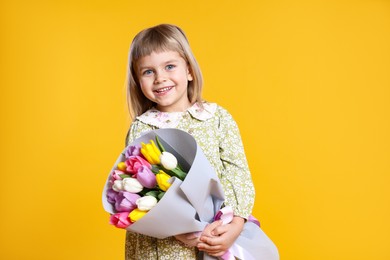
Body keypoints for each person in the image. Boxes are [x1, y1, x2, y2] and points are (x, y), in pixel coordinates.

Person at [124, 24, 255, 259]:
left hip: (219, 234)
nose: (160, 78)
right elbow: (137, 193)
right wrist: (173, 229)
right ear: (138, 81)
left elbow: (238, 175)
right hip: (163, 248)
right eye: (148, 72)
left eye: (170, 66)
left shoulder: (217, 118)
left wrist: (235, 225)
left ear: (189, 71)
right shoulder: (142, 128)